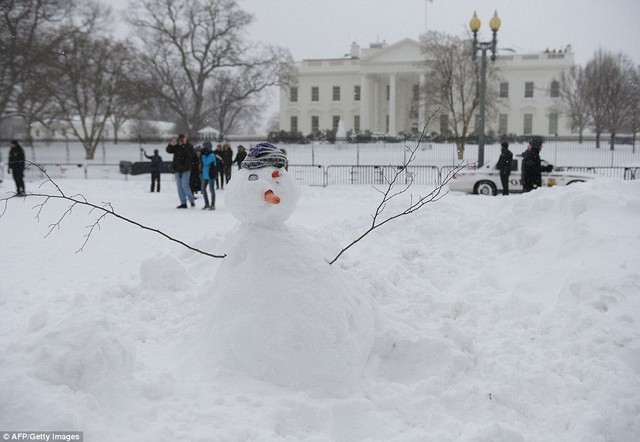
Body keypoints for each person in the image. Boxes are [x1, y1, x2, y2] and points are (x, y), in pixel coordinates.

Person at [166, 134, 196, 208]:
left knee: (185, 185)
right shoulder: (176, 147)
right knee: (179, 187)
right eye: (179, 140)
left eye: (181, 140)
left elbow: (190, 154)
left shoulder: (188, 147)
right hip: (177, 169)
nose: (180, 142)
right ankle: (183, 202)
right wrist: (171, 144)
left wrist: (185, 144)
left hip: (186, 170)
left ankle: (191, 200)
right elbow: (168, 150)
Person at [199, 141, 217, 210]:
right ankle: (206, 203)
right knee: (203, 189)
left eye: (203, 146)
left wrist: (202, 155)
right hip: (205, 174)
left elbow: (206, 163)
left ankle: (213, 204)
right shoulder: (204, 154)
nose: (202, 147)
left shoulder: (212, 155)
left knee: (211, 190)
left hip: (211, 175)